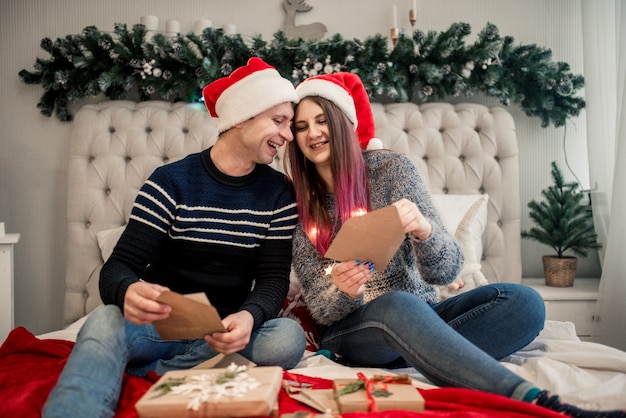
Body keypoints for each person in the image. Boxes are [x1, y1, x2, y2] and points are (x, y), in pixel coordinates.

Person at [285, 71, 626, 418]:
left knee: (524, 302)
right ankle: (540, 403)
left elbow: (445, 271)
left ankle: (426, 352)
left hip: (424, 314)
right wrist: (343, 289)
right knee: (397, 305)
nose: (312, 133)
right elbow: (321, 309)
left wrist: (425, 231)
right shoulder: (298, 204)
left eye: (323, 120)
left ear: (342, 123)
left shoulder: (391, 170)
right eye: (301, 126)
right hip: (354, 333)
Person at [43, 57, 306, 418]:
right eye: (279, 121)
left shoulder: (279, 193)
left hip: (224, 331)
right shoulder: (171, 181)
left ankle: (154, 373)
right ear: (243, 117)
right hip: (163, 323)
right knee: (103, 320)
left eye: (290, 125)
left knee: (286, 338)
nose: (288, 136)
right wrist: (128, 291)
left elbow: (273, 280)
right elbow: (118, 267)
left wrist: (248, 317)